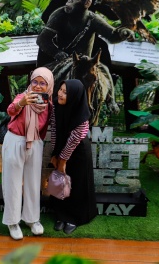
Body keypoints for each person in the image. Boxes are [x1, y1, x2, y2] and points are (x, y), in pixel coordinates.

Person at [2, 67, 54, 240]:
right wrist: (21, 103)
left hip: (36, 142)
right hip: (16, 140)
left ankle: (32, 219)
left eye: (42, 83)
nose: (38, 86)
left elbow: (47, 125)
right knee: (12, 182)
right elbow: (10, 111)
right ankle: (12, 221)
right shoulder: (22, 97)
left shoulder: (49, 105)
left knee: (33, 182)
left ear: (49, 86)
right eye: (35, 82)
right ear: (30, 82)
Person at [36, 0, 132, 66]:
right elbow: (42, 39)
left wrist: (124, 33)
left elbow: (112, 36)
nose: (69, 2)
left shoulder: (93, 19)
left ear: (87, 3)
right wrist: (57, 53)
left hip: (84, 63)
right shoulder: (59, 14)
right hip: (62, 62)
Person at [49, 79, 97, 235]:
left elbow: (75, 139)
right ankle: (61, 215)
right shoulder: (56, 105)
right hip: (62, 145)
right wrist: (55, 154)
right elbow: (54, 130)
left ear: (75, 96)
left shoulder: (82, 113)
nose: (60, 94)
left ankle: (75, 218)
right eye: (60, 90)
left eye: (65, 92)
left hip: (78, 151)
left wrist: (63, 160)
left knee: (77, 183)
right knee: (61, 182)